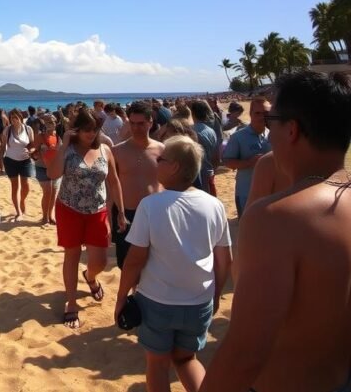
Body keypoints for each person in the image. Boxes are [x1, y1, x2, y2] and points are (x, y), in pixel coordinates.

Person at [201, 71, 351, 391]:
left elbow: (246, 353)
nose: (269, 130)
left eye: (273, 121)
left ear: (292, 130)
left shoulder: (276, 218)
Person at [113, 135, 232, 392]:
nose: (156, 163)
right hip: (199, 301)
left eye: (161, 159)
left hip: (158, 301)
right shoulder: (214, 205)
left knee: (157, 365)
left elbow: (135, 260)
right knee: (187, 359)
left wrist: (122, 296)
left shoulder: (151, 205)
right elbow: (224, 260)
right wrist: (216, 294)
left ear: (175, 166)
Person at [48, 108, 127, 328]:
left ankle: (90, 277)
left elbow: (113, 181)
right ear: (77, 130)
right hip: (69, 209)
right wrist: (63, 145)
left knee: (100, 260)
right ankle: (71, 303)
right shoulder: (68, 150)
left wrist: (120, 211)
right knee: (71, 255)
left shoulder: (105, 150)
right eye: (86, 130)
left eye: (94, 130)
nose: (90, 134)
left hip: (98, 210)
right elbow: (53, 174)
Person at [109, 102, 164, 269]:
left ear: (150, 123)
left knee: (154, 260)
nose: (136, 128)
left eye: (140, 123)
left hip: (155, 212)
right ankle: (132, 293)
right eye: (132, 123)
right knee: (126, 262)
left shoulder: (162, 150)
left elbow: (169, 183)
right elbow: (111, 185)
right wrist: (109, 217)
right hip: (126, 213)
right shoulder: (117, 151)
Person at [221, 97, 271, 217]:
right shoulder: (238, 137)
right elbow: (227, 161)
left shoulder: (272, 134)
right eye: (257, 113)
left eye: (266, 113)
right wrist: (249, 162)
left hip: (270, 193)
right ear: (250, 114)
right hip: (246, 193)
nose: (262, 116)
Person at [0, 108, 35, 221]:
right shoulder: (7, 130)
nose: (14, 120)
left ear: (20, 118)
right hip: (10, 160)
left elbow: (33, 145)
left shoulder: (28, 129)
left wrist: (31, 151)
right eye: (12, 118)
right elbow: (2, 146)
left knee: (26, 185)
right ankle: (18, 211)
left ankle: (22, 200)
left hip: (25, 160)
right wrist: (1, 161)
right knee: (15, 187)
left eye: (16, 117)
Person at [34, 113, 60, 226]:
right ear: (44, 123)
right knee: (47, 192)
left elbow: (62, 151)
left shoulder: (58, 135)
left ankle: (50, 215)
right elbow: (34, 154)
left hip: (55, 167)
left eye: (54, 121)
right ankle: (45, 217)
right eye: (50, 122)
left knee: (54, 193)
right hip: (42, 167)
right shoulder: (40, 136)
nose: (53, 124)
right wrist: (41, 152)